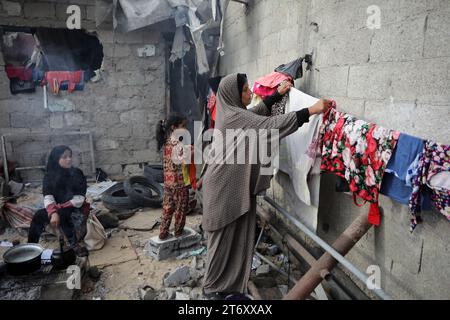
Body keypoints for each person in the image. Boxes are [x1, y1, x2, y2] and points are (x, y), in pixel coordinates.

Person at [201, 73, 332, 299]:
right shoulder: (235, 117)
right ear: (233, 94)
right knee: (223, 243)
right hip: (224, 191)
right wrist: (310, 110)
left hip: (226, 186)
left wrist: (274, 96)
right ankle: (213, 291)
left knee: (233, 240)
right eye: (244, 90)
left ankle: (228, 290)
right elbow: (268, 124)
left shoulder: (230, 112)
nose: (249, 93)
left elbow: (255, 115)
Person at [28, 145, 89, 257]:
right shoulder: (49, 176)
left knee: (62, 214)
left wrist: (57, 210)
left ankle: (74, 244)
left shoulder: (77, 173)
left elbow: (80, 198)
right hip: (57, 207)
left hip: (75, 207)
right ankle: (30, 248)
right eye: (64, 157)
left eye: (70, 156)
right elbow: (48, 196)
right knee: (38, 215)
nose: (69, 159)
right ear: (56, 159)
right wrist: (53, 211)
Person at [156, 113, 192, 240]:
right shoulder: (179, 144)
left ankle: (163, 232)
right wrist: (191, 152)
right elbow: (184, 162)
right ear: (173, 127)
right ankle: (178, 232)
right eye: (183, 126)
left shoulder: (166, 141)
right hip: (180, 184)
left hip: (168, 183)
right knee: (181, 209)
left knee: (167, 208)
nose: (186, 129)